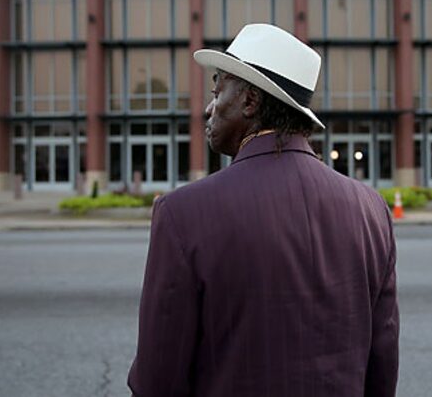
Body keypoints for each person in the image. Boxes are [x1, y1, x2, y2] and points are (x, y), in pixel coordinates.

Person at [128, 23, 399, 397]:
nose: (209, 108)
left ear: (250, 101)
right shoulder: (372, 210)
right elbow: (382, 367)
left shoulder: (182, 213)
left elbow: (159, 379)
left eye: (217, 90)